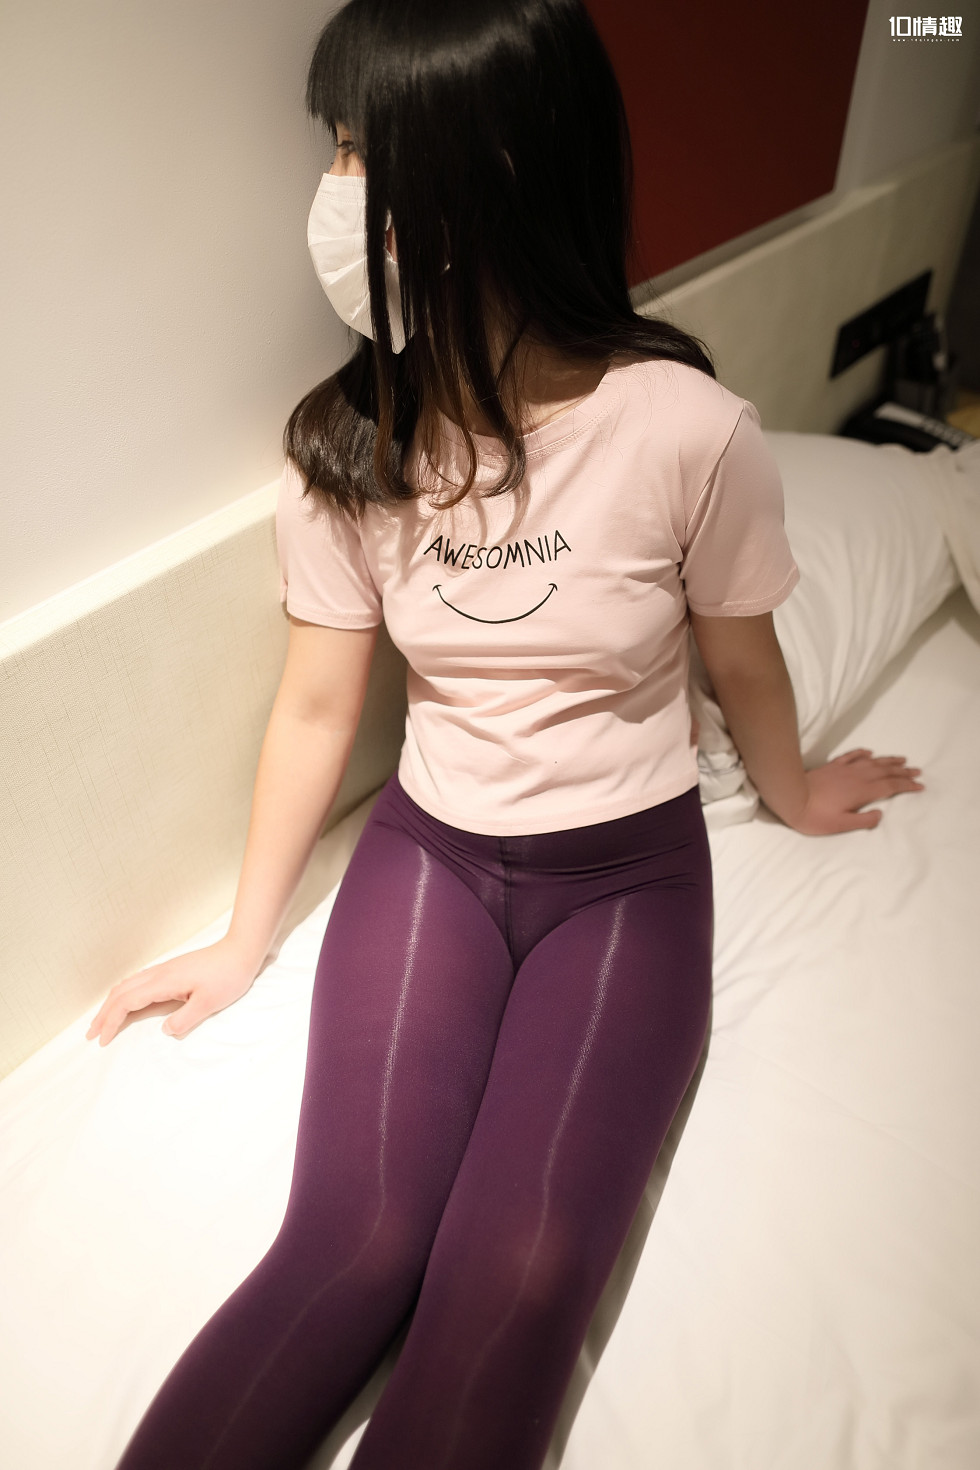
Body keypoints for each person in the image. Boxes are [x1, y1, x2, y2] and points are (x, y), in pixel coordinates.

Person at [87, 2, 925, 1467]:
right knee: (351, 1245)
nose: (336, 193)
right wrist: (242, 938)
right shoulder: (346, 448)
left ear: (499, 167)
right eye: (334, 148)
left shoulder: (688, 430)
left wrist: (790, 792)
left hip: (625, 884)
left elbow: (743, 658)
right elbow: (318, 705)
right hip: (431, 859)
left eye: (365, 151)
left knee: (520, 1275)